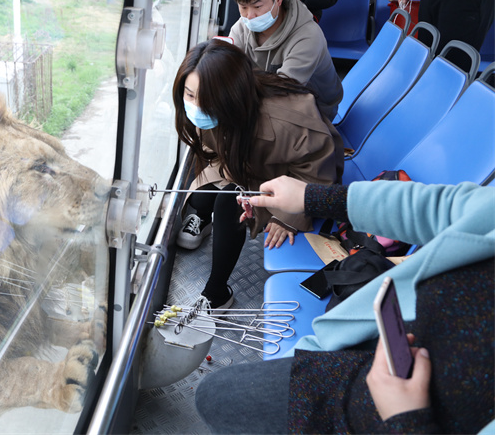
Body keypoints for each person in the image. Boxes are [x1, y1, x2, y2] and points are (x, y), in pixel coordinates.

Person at [195, 176, 495, 433]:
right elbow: (443, 207)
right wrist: (312, 198)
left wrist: (406, 420)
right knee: (217, 397)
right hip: (373, 349)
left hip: (390, 417)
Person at [173, 39, 343, 308]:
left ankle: (217, 293)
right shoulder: (213, 110)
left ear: (231, 94)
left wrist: (287, 217)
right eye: (190, 94)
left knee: (230, 201)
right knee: (200, 195)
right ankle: (202, 219)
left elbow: (319, 172)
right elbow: (211, 148)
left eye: (207, 98)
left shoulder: (286, 122)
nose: (196, 106)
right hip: (248, 160)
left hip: (293, 178)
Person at [227, 0, 343, 121]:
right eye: (243, 7)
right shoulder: (241, 28)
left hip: (315, 108)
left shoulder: (308, 36)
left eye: (257, 6)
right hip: (263, 98)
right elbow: (228, 72)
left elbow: (283, 91)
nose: (249, 16)